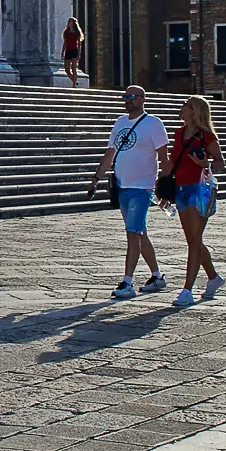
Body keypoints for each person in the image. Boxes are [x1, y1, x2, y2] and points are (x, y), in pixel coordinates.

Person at [85, 85, 168, 299]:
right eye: (125, 97)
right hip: (122, 186)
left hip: (142, 187)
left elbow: (163, 157)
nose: (127, 100)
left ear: (142, 99)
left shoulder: (154, 124)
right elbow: (110, 153)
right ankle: (157, 277)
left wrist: (164, 183)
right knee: (140, 233)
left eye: (132, 97)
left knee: (133, 233)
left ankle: (127, 282)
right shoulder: (120, 123)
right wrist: (96, 178)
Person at [169, 95, 226, 307]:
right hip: (180, 189)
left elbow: (221, 163)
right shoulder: (178, 133)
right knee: (193, 240)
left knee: (194, 240)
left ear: (193, 111)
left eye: (185, 106)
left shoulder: (207, 137)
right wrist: (162, 182)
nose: (181, 108)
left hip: (199, 190)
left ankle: (187, 290)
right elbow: (172, 161)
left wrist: (206, 163)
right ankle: (213, 277)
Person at [62, 17, 85, 88]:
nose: (69, 23)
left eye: (71, 22)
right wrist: (62, 52)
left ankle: (74, 85)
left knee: (74, 68)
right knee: (67, 69)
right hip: (68, 50)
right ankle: (74, 80)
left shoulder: (76, 32)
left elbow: (79, 44)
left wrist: (79, 53)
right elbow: (65, 43)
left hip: (74, 50)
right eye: (69, 22)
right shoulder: (66, 32)